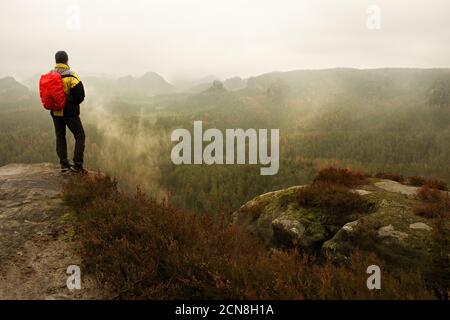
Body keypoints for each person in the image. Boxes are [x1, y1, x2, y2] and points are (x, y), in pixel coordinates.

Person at [50, 51, 87, 173]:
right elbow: (80, 96)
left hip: (55, 112)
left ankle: (64, 164)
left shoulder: (50, 75)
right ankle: (77, 165)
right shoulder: (72, 76)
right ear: (67, 60)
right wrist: (69, 100)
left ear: (56, 61)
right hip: (70, 113)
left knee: (60, 136)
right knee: (80, 135)